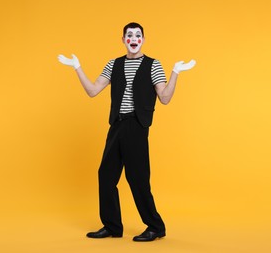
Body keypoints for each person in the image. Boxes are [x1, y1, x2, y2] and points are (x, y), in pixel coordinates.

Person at [58, 22, 195, 242]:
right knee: (106, 175)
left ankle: (155, 226)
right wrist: (77, 66)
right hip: (117, 126)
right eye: (129, 35)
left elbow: (165, 98)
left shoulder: (153, 65)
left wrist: (175, 72)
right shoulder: (113, 64)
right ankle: (112, 226)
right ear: (123, 39)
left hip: (136, 126)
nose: (133, 38)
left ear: (143, 39)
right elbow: (93, 91)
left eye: (138, 35)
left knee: (138, 179)